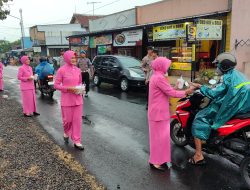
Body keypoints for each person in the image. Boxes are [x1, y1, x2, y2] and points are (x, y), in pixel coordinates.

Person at [190, 52, 250, 165]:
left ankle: (198, 155)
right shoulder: (237, 74)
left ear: (224, 66)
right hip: (244, 107)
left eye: (218, 65)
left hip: (232, 107)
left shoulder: (226, 78)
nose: (217, 67)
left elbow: (213, 93)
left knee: (199, 118)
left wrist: (200, 87)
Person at [148, 57, 195, 171]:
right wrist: (186, 92)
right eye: (167, 65)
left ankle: (160, 160)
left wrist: (175, 87)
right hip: (158, 113)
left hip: (158, 112)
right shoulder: (159, 78)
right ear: (161, 66)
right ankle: (155, 162)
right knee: (158, 139)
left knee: (161, 138)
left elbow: (166, 90)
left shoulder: (157, 76)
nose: (168, 67)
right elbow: (171, 93)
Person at [54, 50, 85, 151]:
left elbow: (80, 83)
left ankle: (77, 140)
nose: (74, 59)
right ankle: (66, 132)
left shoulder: (77, 70)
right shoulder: (61, 70)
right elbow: (56, 85)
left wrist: (81, 90)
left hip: (78, 99)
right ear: (67, 58)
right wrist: (68, 88)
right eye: (72, 58)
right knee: (67, 121)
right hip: (67, 100)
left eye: (75, 58)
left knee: (77, 121)